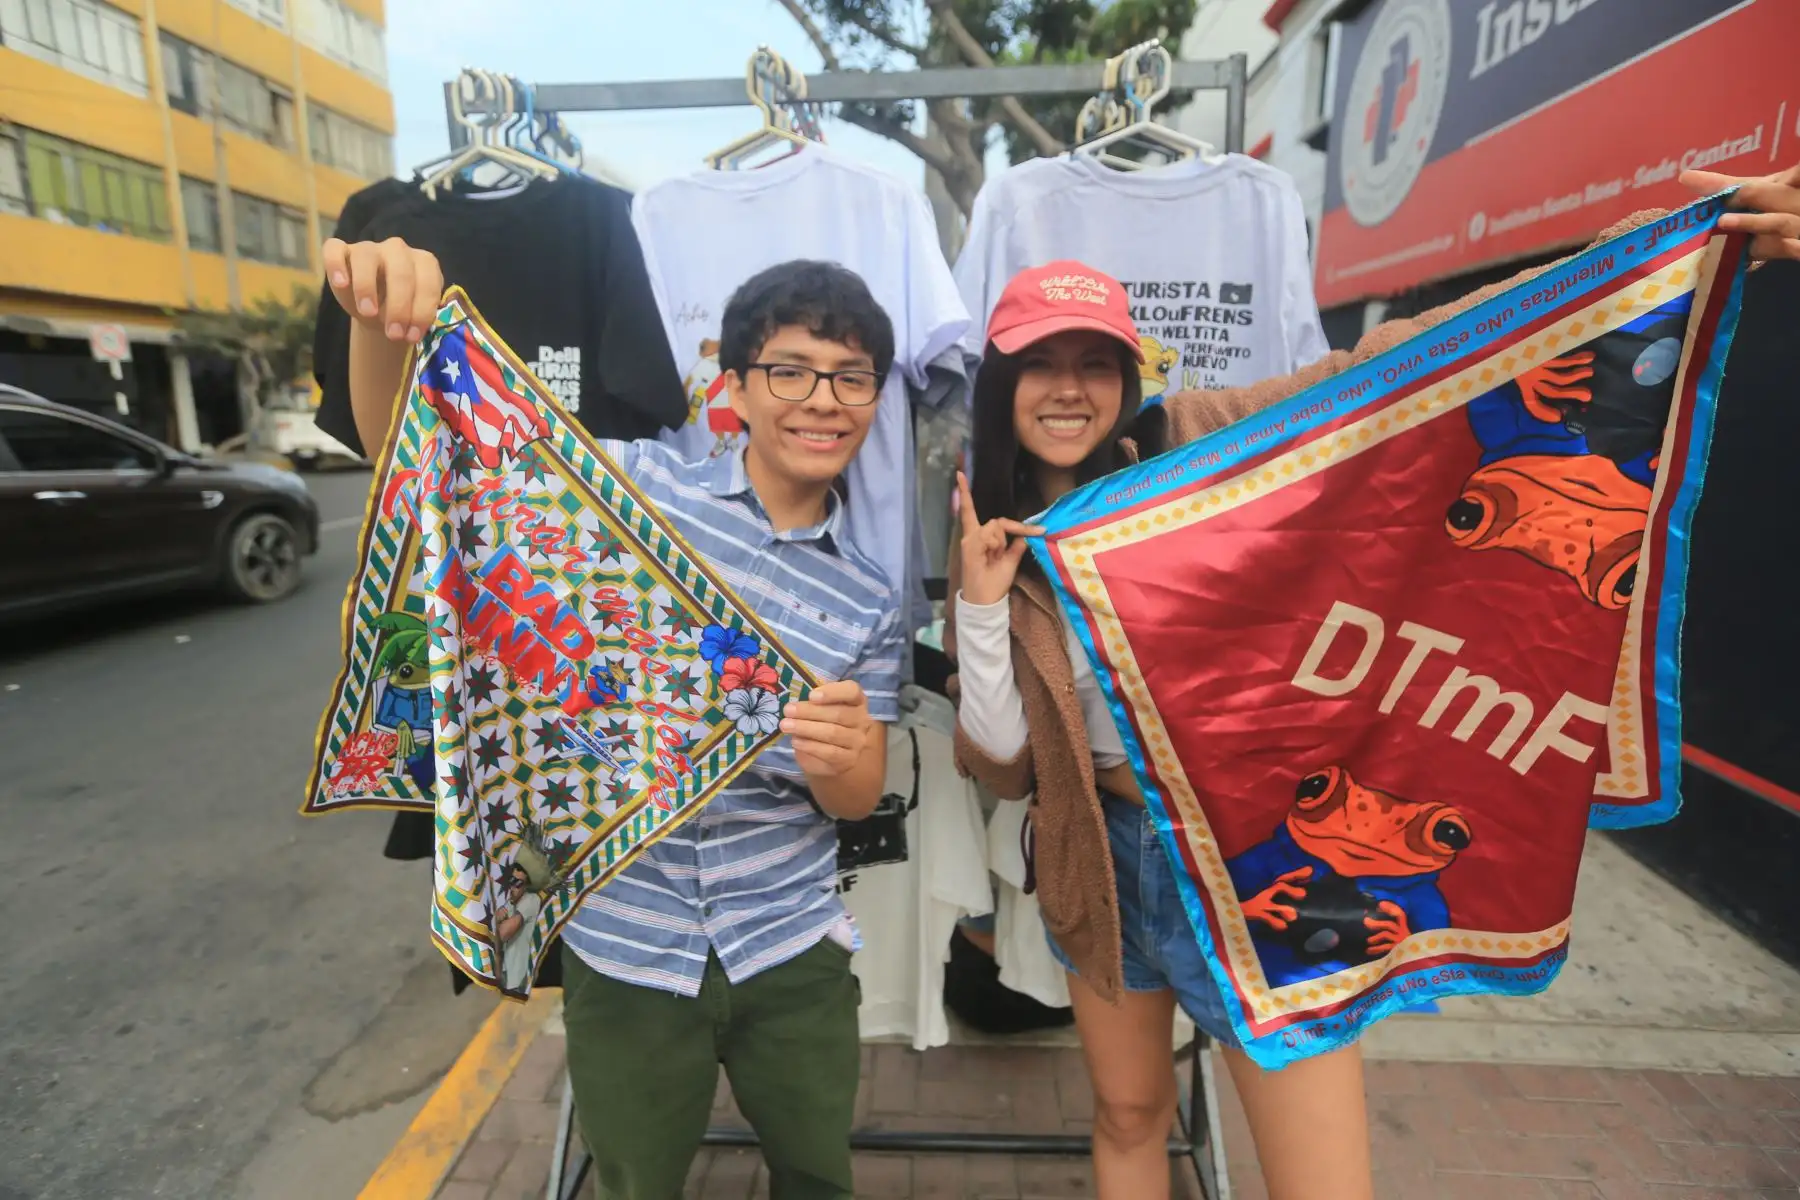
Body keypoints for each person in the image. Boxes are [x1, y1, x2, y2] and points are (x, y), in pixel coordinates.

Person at [944, 166, 1800, 1200]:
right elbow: (1005, 766)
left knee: (1321, 1183)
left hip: (1254, 864)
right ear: (1001, 383)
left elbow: (1400, 362)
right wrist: (983, 606)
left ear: (1131, 376)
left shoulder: (1201, 442)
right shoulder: (991, 532)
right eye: (1040, 363)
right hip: (1103, 859)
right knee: (1128, 1119)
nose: (1069, 388)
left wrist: (1668, 248)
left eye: (1095, 362)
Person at [321, 240, 906, 1200]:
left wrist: (841, 757)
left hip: (789, 943)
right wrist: (378, 324)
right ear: (735, 387)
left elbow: (856, 798)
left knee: (818, 1176)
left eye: (852, 377)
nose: (823, 399)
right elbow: (426, 463)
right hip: (627, 940)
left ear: (876, 399)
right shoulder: (634, 491)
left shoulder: (868, 596)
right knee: (634, 1184)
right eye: (791, 370)